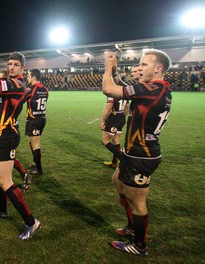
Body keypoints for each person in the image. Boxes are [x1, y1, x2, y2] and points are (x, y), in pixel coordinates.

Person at [102, 49, 172, 256]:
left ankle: (139, 245)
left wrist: (107, 68)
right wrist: (115, 73)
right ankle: (132, 227)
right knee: (118, 181)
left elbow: (108, 90)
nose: (139, 68)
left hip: (142, 155)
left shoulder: (151, 88)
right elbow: (124, 87)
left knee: (138, 202)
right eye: (139, 64)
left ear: (158, 68)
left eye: (144, 64)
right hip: (134, 153)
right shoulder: (156, 89)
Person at [0, 42, 40, 240]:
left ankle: (31, 222)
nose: (11, 67)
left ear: (22, 68)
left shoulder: (16, 85)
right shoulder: (6, 84)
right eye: (9, 63)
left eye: (15, 64)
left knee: (5, 180)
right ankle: (3, 208)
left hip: (7, 135)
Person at [0, 69, 31, 191]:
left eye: (1, 79)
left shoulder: (10, 94)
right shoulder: (1, 94)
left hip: (7, 130)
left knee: (2, 159)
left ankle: (15, 177)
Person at [24, 69, 49, 175]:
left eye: (29, 76)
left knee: (35, 144)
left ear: (34, 77)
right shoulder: (45, 89)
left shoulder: (32, 89)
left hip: (34, 120)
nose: (27, 78)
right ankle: (35, 162)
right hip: (42, 118)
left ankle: (38, 169)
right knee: (31, 139)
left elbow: (22, 99)